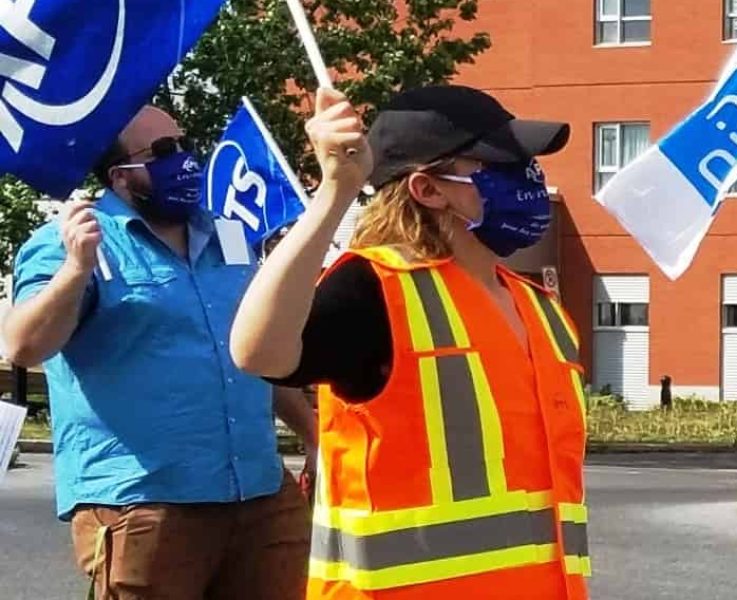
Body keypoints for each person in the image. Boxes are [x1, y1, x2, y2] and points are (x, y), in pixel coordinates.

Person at [229, 85, 591, 599]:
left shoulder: (542, 309)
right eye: (501, 162)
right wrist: (334, 193)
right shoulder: (375, 290)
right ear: (427, 188)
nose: (528, 175)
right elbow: (257, 351)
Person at [1, 105, 314, 599]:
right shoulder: (71, 242)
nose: (184, 161)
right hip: (144, 505)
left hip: (259, 495)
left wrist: (316, 435)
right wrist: (75, 270)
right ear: (120, 177)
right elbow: (23, 344)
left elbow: (255, 351)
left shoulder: (230, 235)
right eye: (163, 152)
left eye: (184, 145)